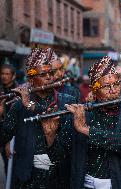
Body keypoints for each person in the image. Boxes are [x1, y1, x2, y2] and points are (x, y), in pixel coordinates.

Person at [0, 48, 75, 188]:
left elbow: (70, 143)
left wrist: (30, 104)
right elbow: (3, 137)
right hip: (26, 176)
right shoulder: (18, 105)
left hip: (56, 175)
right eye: (43, 74)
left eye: (50, 73)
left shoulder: (66, 101)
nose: (49, 77)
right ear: (31, 79)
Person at [64, 56, 121, 189]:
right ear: (94, 90)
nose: (113, 90)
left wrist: (86, 129)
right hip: (87, 182)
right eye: (106, 86)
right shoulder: (83, 112)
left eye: (116, 84)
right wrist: (50, 133)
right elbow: (65, 149)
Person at [0, 64, 18, 174]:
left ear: (13, 76)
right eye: (2, 73)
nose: (4, 76)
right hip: (1, 129)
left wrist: (9, 140)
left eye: (7, 74)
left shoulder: (19, 91)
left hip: (13, 134)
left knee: (11, 165)